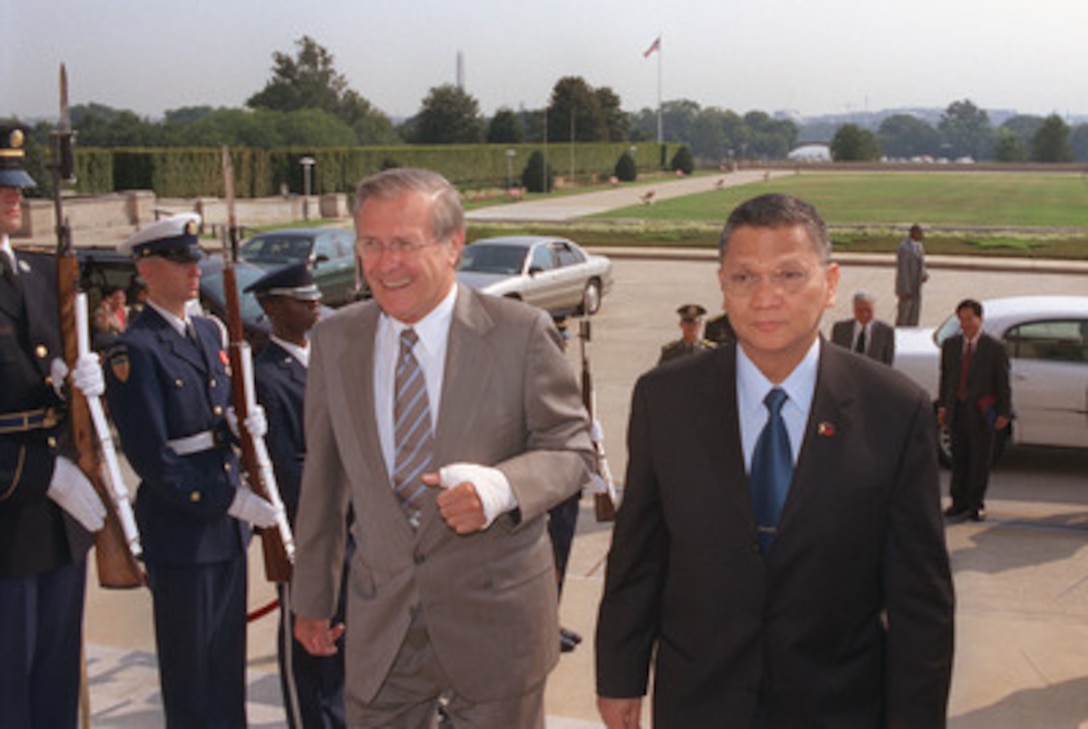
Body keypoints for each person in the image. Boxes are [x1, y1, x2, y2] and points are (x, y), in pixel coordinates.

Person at [595, 193, 954, 728]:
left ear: (830, 284)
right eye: (744, 278)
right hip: (701, 701)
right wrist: (620, 675)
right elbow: (639, 554)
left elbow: (920, 599)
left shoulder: (894, 412)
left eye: (789, 275)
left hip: (840, 705)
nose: (765, 297)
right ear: (722, 285)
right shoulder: (664, 400)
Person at [291, 168, 594, 729]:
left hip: (495, 622)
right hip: (382, 624)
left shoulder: (519, 333)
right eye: (371, 245)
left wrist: (500, 488)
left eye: (405, 244)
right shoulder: (336, 340)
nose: (385, 264)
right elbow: (324, 480)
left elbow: (573, 450)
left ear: (454, 245)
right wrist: (312, 596)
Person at [103, 213, 277, 727]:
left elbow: (220, 415)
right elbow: (153, 456)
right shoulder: (133, 349)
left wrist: (245, 429)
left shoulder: (207, 330)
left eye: (195, 260)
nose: (194, 270)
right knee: (192, 671)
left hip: (226, 528)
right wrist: (225, 499)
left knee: (226, 663)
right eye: (180, 262)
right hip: (184, 527)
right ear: (147, 270)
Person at [0, 123, 107, 728]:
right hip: (10, 510)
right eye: (3, 187)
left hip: (57, 525)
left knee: (55, 680)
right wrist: (42, 473)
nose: (16, 196)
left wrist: (82, 390)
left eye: (18, 187)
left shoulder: (40, 277)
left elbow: (48, 379)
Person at [245, 262, 349, 729]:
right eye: (300, 299)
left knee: (342, 641)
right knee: (308, 651)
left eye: (314, 298)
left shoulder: (325, 360)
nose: (314, 305)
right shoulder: (266, 376)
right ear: (270, 308)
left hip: (349, 527)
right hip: (308, 529)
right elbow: (287, 467)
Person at [938, 298, 1011, 523]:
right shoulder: (951, 345)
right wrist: (943, 406)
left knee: (980, 459)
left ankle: (975, 504)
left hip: (982, 413)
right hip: (957, 411)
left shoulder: (994, 348)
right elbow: (946, 378)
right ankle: (957, 502)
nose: (966, 324)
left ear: (980, 319)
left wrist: (1003, 413)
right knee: (959, 458)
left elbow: (1003, 383)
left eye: (970, 319)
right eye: (962, 320)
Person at [830, 290, 895, 365]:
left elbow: (888, 363)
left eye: (868, 310)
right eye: (860, 311)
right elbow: (834, 356)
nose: (865, 314)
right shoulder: (840, 330)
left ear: (875, 309)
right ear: (854, 310)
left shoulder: (886, 332)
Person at [895, 223, 929, 326]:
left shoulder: (919, 246)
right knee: (904, 317)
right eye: (921, 233)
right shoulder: (904, 248)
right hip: (907, 290)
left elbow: (921, 263)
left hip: (916, 287)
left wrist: (924, 274)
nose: (923, 235)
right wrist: (905, 291)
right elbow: (903, 270)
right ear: (914, 233)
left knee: (914, 315)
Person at [92, 284, 128, 350]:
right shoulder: (101, 312)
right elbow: (104, 329)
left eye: (121, 298)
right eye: (116, 298)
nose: (119, 301)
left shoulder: (128, 311)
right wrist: (106, 312)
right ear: (109, 298)